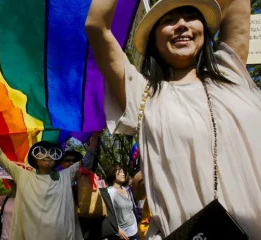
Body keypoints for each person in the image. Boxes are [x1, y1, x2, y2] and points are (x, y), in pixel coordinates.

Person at [86, 0, 261, 238]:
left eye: (190, 16)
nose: (181, 25)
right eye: (168, 21)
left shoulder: (231, 73)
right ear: (153, 40)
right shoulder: (142, 95)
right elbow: (97, 26)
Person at [0, 124, 95, 240]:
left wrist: (95, 136)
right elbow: (3, 161)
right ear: (35, 160)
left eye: (51, 153)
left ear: (56, 160)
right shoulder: (24, 176)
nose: (47, 155)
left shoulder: (64, 176)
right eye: (42, 152)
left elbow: (87, 161)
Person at [106, 166, 139, 240]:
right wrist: (118, 230)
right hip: (121, 234)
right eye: (120, 172)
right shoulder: (110, 192)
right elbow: (107, 214)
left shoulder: (127, 189)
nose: (123, 174)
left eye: (123, 172)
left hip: (134, 230)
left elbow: (130, 210)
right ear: (113, 174)